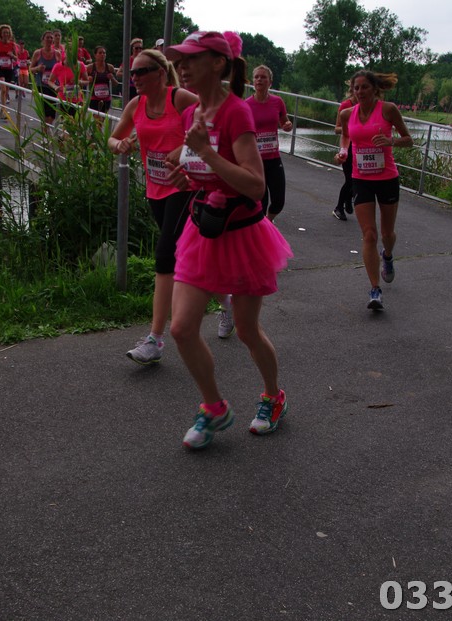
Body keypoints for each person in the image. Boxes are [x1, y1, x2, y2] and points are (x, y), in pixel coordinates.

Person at [163, 31, 292, 448]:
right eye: (179, 60)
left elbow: (255, 185)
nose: (182, 67)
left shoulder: (237, 112)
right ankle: (214, 407)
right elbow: (206, 173)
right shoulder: (191, 113)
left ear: (218, 63)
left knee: (248, 330)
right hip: (203, 229)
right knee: (181, 328)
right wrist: (188, 176)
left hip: (242, 234)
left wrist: (207, 154)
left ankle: (273, 397)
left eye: (191, 59)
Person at [108, 49, 198, 365]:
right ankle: (226, 299)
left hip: (185, 187)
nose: (134, 78)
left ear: (160, 72)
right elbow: (112, 138)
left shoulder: (180, 98)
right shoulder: (136, 105)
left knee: (164, 255)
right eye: (132, 73)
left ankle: (154, 339)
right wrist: (120, 144)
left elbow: (213, 124)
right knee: (186, 256)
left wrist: (184, 148)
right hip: (155, 189)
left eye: (141, 72)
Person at [333, 69, 412, 310]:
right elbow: (346, 137)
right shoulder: (347, 114)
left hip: (387, 177)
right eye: (356, 88)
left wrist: (391, 141)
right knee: (369, 234)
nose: (360, 92)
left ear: (374, 89)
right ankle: (375, 290)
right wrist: (343, 151)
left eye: (364, 87)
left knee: (387, 234)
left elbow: (408, 139)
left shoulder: (388, 110)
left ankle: (387, 255)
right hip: (361, 178)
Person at [245, 64, 292, 222]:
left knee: (279, 201)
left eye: (263, 77)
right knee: (261, 201)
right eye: (256, 77)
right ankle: (263, 227)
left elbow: (285, 122)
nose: (259, 80)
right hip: (255, 161)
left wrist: (287, 126)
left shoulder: (277, 102)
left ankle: (269, 221)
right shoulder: (246, 105)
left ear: (270, 82)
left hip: (273, 158)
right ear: (253, 82)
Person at [333, 87, 357, 221]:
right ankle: (338, 208)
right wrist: (353, 128)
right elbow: (337, 129)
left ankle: (348, 198)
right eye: (357, 88)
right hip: (348, 147)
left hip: (362, 148)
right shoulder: (346, 106)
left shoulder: (369, 106)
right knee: (350, 180)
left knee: (357, 180)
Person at [48, 45, 88, 113]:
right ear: (65, 52)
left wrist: (79, 81)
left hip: (77, 100)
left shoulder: (80, 65)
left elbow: (87, 81)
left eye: (73, 50)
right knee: (63, 119)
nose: (71, 52)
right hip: (63, 100)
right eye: (69, 50)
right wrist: (55, 87)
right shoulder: (58, 66)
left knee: (76, 119)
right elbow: (50, 81)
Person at [30, 30, 60, 125]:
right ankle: (46, 132)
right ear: (43, 39)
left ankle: (47, 130)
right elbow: (30, 69)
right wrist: (38, 68)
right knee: (45, 113)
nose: (49, 39)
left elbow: (61, 68)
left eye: (51, 38)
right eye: (47, 37)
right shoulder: (38, 53)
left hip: (53, 86)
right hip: (41, 86)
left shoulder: (57, 54)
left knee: (52, 114)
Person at [0, 24, 17, 118]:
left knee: (6, 91)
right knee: (3, 89)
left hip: (9, 68)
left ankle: (2, 109)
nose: (6, 34)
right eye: (4, 32)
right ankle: (4, 111)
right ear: (0, 34)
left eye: (7, 32)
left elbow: (16, 58)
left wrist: (12, 55)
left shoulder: (12, 44)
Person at [86, 45, 117, 114]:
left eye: (104, 53)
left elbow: (116, 83)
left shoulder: (110, 67)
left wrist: (112, 78)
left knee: (103, 118)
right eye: (100, 53)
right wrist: (88, 80)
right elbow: (82, 81)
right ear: (95, 55)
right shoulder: (90, 67)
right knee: (97, 119)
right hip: (94, 98)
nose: (102, 54)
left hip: (106, 99)